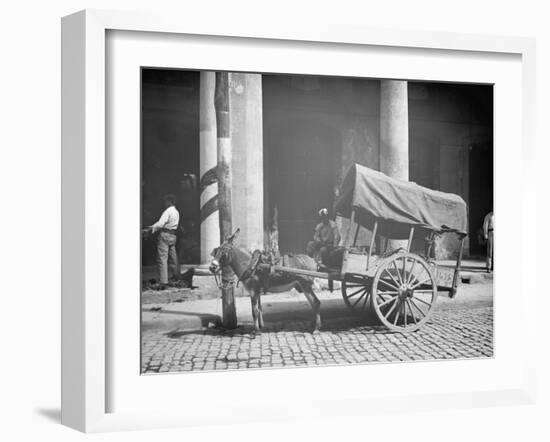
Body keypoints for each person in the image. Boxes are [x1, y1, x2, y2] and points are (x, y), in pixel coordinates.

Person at [147, 194, 180, 286]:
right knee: (173, 257)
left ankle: (163, 281)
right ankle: (176, 277)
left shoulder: (167, 211)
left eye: (165, 201)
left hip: (165, 234)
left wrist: (152, 227)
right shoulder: (176, 211)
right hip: (173, 235)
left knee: (162, 258)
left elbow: (161, 223)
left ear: (169, 201)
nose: (164, 203)